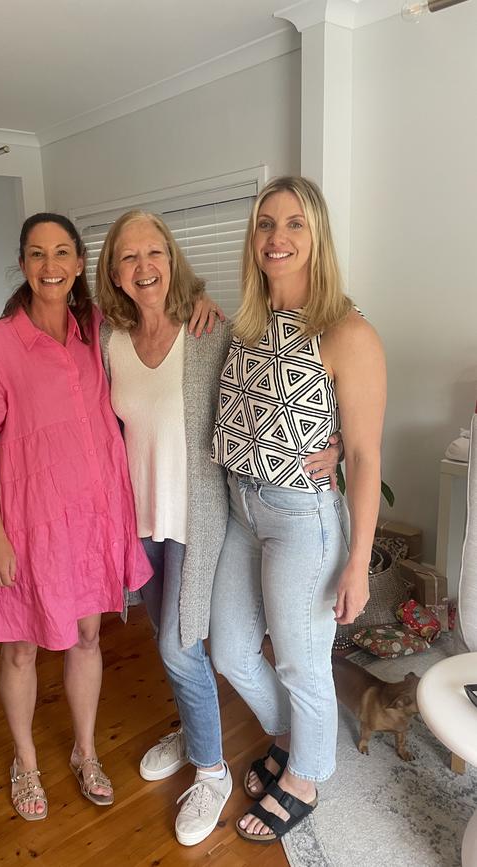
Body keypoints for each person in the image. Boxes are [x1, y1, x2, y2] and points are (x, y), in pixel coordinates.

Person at [95, 209, 342, 846]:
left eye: (154, 252)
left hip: (201, 519)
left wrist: (336, 447)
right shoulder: (110, 342)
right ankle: (193, 726)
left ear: (172, 258)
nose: (144, 267)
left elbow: (279, 389)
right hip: (141, 518)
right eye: (128, 257)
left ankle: (212, 773)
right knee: (172, 641)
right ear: (114, 272)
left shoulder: (211, 329)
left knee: (181, 647)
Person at [0, 213, 153, 820]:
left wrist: (201, 306)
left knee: (88, 636)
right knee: (20, 649)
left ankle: (85, 751)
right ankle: (25, 761)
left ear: (77, 263)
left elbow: (157, 301)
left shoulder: (97, 330)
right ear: (22, 263)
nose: (50, 266)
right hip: (25, 523)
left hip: (91, 520)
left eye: (62, 252)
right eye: (38, 254)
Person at [209, 176, 386, 843]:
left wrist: (359, 562)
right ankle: (289, 734)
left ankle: (306, 775)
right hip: (241, 511)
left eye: (293, 225)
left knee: (300, 659)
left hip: (299, 519)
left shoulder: (347, 330)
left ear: (317, 237)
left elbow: (365, 455)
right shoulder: (246, 326)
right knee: (229, 647)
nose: (277, 238)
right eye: (265, 224)